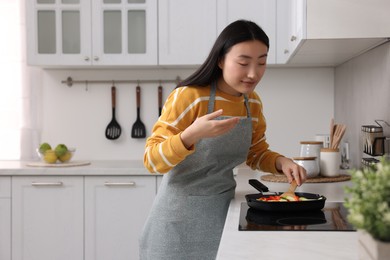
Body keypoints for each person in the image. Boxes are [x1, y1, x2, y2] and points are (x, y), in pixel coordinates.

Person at [139, 20, 307, 260]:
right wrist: (191, 134)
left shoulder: (252, 102)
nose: (253, 73)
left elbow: (256, 152)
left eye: (261, 62)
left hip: (223, 213)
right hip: (177, 221)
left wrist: (282, 162)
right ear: (220, 60)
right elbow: (152, 161)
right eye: (243, 62)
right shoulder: (190, 97)